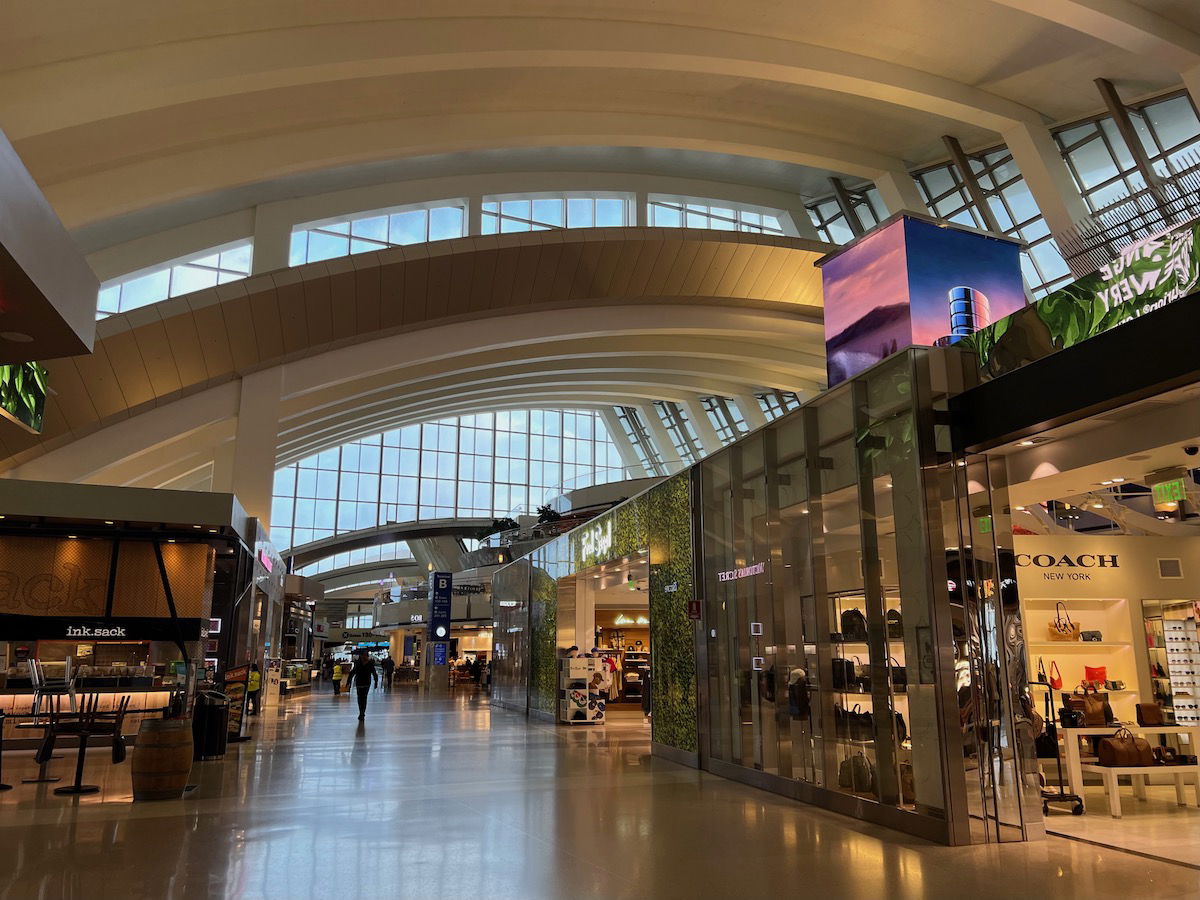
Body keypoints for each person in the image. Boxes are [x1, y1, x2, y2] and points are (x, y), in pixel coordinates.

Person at [346, 650, 379, 720]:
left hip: (365, 683)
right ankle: (361, 712)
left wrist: (376, 682)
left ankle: (362, 712)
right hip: (360, 683)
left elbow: (374, 673)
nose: (364, 656)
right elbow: (352, 672)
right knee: (361, 698)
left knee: (363, 698)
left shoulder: (369, 664)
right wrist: (348, 682)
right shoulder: (358, 663)